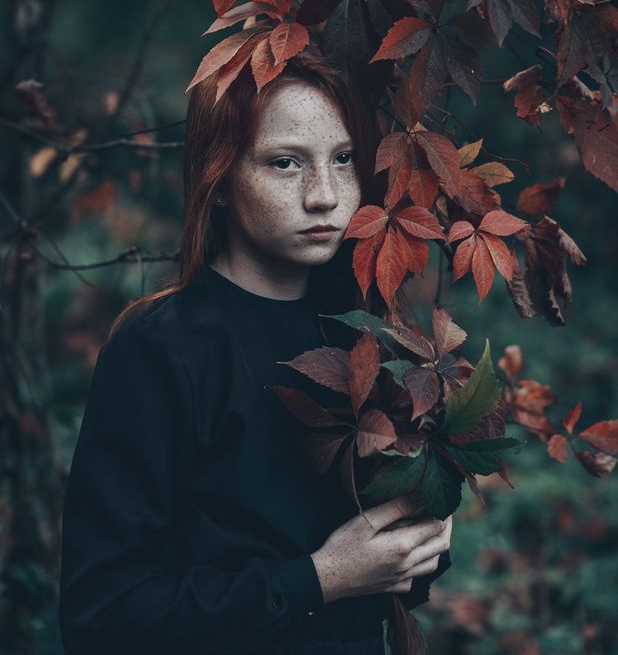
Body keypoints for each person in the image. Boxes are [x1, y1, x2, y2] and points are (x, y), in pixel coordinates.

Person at [58, 42, 453, 655]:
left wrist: (414, 544)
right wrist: (318, 580)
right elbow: (103, 613)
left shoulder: (360, 331)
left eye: (344, 159)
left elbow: (381, 585)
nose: (325, 195)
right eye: (285, 164)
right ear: (218, 180)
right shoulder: (160, 350)